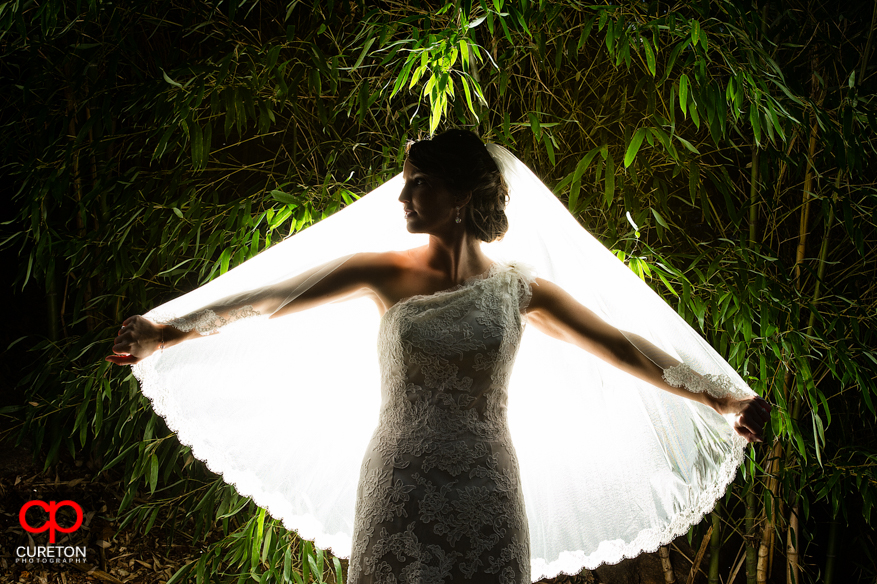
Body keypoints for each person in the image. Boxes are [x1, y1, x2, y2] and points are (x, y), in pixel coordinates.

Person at [108, 129, 771, 584]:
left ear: (459, 196)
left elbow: (621, 347)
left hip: (487, 483)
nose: (401, 198)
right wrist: (165, 329)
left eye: (416, 183)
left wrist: (722, 397)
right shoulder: (379, 273)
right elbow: (264, 298)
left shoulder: (521, 290)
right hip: (400, 478)